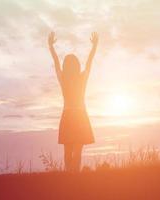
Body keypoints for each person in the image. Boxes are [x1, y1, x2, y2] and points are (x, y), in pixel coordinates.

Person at [48, 31, 98, 172]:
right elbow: (89, 63)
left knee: (68, 151)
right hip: (79, 116)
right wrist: (94, 47)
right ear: (77, 66)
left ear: (66, 66)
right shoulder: (81, 78)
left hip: (69, 116)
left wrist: (51, 47)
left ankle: (70, 176)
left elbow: (56, 63)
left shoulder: (64, 79)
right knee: (76, 151)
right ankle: (74, 176)